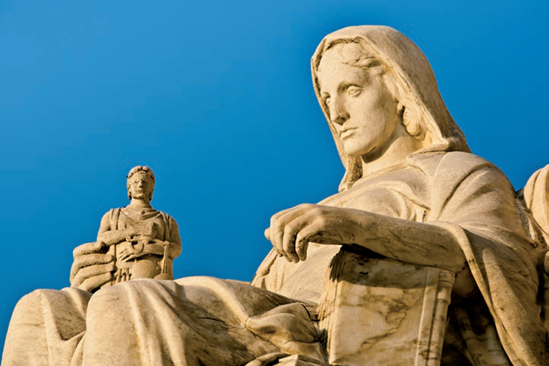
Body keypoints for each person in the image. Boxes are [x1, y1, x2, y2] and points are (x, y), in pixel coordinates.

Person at [2, 27, 546, 366]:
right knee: (43, 311)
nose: (336, 112)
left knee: (131, 309)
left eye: (353, 90)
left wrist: (357, 229)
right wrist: (123, 277)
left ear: (403, 93)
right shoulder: (328, 204)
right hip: (265, 320)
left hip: (324, 328)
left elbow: (499, 263)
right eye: (327, 98)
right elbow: (240, 302)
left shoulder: (452, 172)